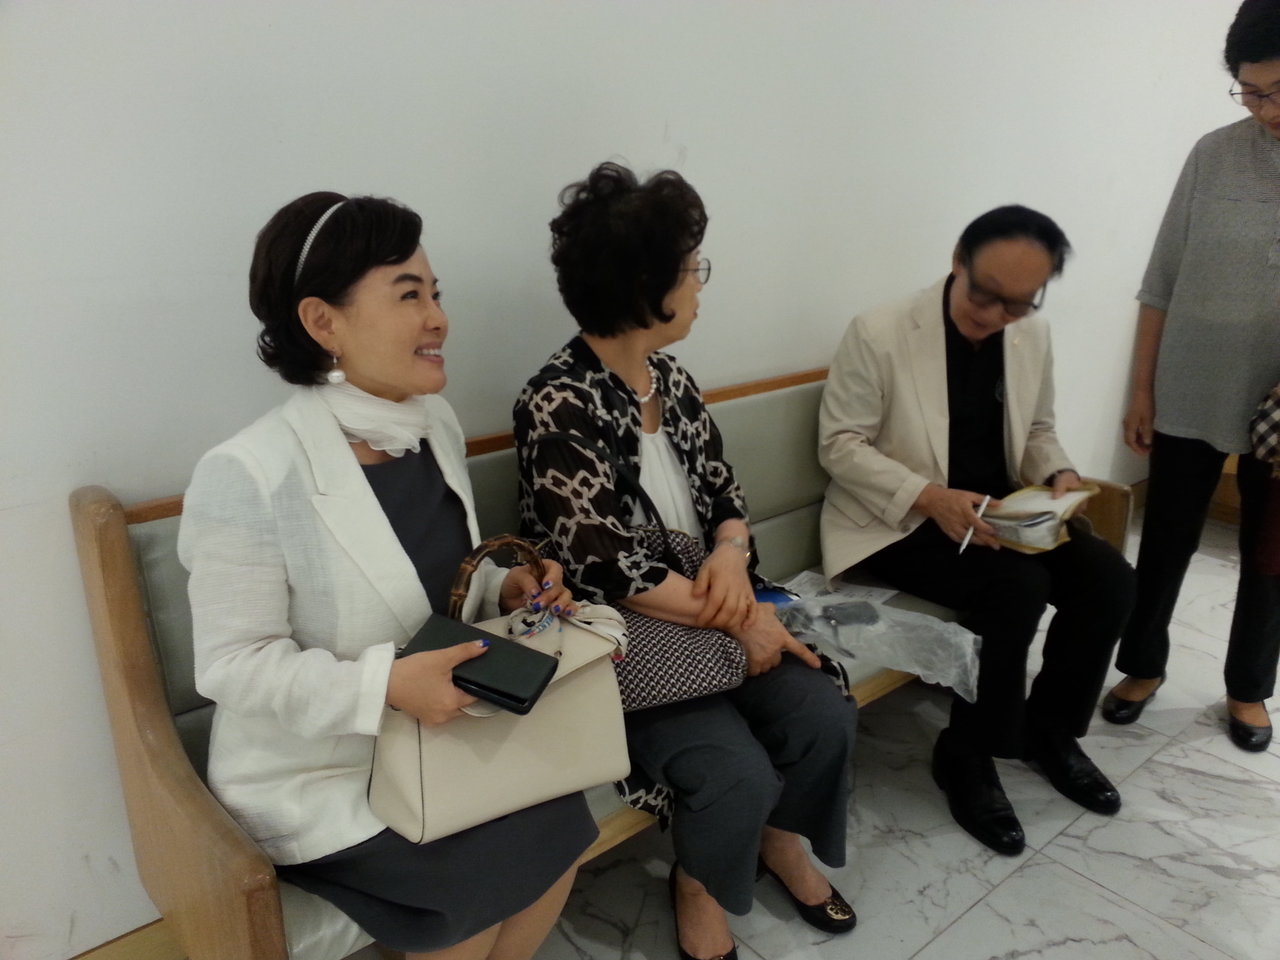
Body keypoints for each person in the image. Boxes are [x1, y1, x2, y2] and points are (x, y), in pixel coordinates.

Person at [178, 191, 594, 960]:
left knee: (563, 822)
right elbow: (233, 665)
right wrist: (385, 688)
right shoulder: (250, 472)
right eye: (409, 295)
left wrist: (503, 588)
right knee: (474, 883)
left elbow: (435, 584)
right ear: (322, 322)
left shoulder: (432, 425)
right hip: (322, 770)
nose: (438, 318)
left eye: (436, 294)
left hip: (435, 736)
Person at [513, 162, 858, 960]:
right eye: (691, 268)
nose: (700, 285)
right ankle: (699, 884)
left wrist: (732, 555)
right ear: (645, 287)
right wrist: (746, 627)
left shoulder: (671, 378)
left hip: (715, 603)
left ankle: (779, 840)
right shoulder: (556, 401)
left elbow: (725, 492)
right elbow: (607, 569)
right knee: (733, 772)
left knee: (823, 716)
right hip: (634, 639)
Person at [818, 205, 1136, 857]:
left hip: (1000, 513)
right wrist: (931, 497)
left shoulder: (1030, 335)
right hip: (900, 519)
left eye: (1017, 303)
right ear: (958, 260)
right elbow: (840, 445)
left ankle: (1049, 732)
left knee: (1109, 580)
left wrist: (1059, 473)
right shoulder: (880, 331)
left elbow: (1039, 430)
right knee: (1016, 587)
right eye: (985, 294)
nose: (995, 315)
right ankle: (967, 753)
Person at [1104, 0, 1280, 754]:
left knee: (1269, 551)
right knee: (1167, 534)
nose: (1264, 109)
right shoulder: (1213, 153)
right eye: (1250, 92)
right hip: (1191, 379)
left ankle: (1249, 686)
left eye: (1277, 91)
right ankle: (1142, 664)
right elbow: (1161, 280)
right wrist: (1142, 389)